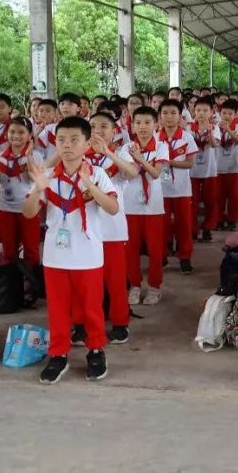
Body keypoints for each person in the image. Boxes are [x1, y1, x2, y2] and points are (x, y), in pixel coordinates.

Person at [22, 117, 120, 384]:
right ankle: (58, 354)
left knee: (91, 308)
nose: (67, 146)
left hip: (88, 255)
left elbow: (112, 208)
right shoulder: (48, 177)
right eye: (61, 140)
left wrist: (89, 186)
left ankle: (96, 350)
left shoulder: (97, 173)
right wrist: (37, 190)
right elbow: (29, 213)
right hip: (56, 256)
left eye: (74, 140)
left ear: (87, 144)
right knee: (58, 308)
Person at [85, 112, 139, 344]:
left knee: (115, 280)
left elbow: (132, 172)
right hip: (85, 230)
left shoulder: (121, 154)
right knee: (88, 282)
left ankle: (120, 322)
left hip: (113, 228)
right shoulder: (80, 157)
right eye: (93, 126)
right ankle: (84, 323)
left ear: (114, 131)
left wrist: (107, 152)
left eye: (103, 126)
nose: (98, 130)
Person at [123, 106, 170, 305]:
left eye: (147, 122)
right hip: (130, 204)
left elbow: (155, 173)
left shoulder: (161, 146)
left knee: (155, 248)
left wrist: (140, 159)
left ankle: (154, 286)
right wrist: (139, 163)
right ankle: (134, 285)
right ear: (132, 126)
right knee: (130, 248)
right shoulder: (125, 148)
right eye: (138, 123)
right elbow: (128, 173)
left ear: (156, 125)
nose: (142, 127)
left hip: (153, 206)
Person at [0, 118, 39, 265]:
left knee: (31, 247)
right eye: (12, 132)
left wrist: (28, 156)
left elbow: (31, 178)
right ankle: (12, 283)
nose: (16, 135)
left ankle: (32, 282)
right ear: (6, 135)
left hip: (28, 208)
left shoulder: (36, 156)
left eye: (21, 132)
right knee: (9, 248)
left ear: (29, 136)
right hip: (4, 208)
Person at [158, 100, 200, 274]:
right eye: (165, 113)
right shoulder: (154, 137)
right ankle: (162, 255)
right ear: (160, 116)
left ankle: (185, 257)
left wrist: (170, 162)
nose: (169, 117)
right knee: (162, 224)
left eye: (173, 113)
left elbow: (190, 163)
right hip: (159, 189)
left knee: (184, 224)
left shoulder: (186, 136)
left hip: (182, 189)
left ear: (179, 116)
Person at [189, 97, 222, 242]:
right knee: (192, 201)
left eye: (205, 110)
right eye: (198, 110)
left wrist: (209, 134)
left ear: (211, 112)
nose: (201, 113)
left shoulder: (215, 128)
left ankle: (208, 228)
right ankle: (193, 229)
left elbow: (215, 145)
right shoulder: (188, 128)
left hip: (210, 169)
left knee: (211, 200)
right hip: (192, 170)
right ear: (193, 112)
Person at [216, 99, 238, 230]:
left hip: (234, 165)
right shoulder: (215, 126)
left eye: (230, 113)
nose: (227, 116)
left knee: (233, 195)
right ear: (220, 113)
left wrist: (229, 130)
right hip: (218, 166)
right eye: (224, 113)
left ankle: (232, 219)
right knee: (218, 195)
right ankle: (218, 219)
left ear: (235, 115)